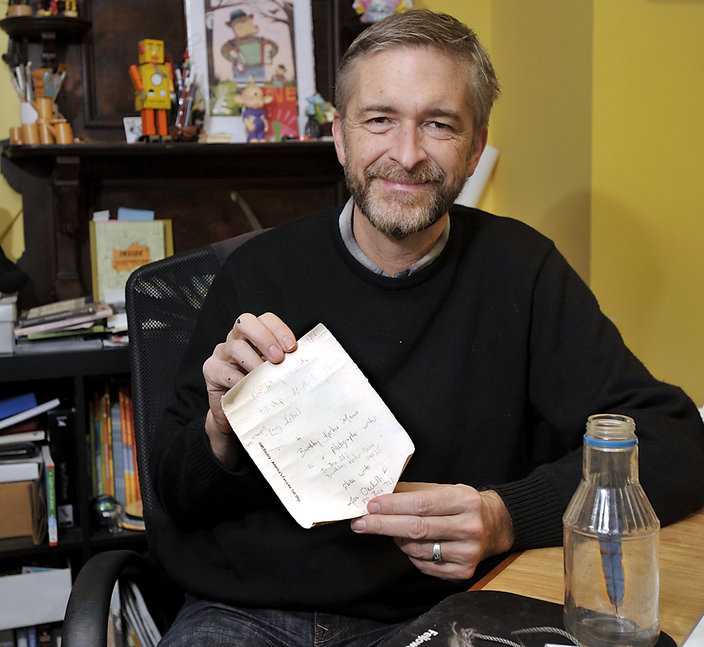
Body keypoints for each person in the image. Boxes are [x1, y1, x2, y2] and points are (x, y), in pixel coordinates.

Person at [151, 9, 704, 646]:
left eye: (438, 124)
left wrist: (505, 517)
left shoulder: (521, 272)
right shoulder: (259, 272)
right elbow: (171, 489)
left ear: (474, 147)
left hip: (444, 615)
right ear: (340, 136)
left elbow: (672, 444)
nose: (406, 155)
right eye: (379, 119)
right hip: (244, 616)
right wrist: (219, 435)